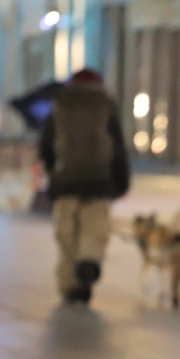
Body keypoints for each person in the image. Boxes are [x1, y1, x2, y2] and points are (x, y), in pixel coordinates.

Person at [39, 68, 130, 305]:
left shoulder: (59, 105)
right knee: (95, 228)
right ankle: (89, 260)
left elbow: (46, 145)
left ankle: (70, 284)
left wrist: (51, 170)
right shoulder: (106, 105)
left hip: (65, 181)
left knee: (66, 234)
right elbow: (117, 147)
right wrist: (121, 180)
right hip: (99, 181)